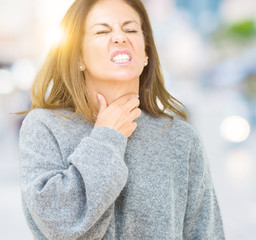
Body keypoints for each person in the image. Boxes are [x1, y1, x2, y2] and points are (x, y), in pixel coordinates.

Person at [17, 0, 225, 239]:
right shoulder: (44, 127)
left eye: (130, 29)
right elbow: (60, 223)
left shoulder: (181, 138)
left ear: (146, 53)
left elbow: (205, 232)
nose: (119, 37)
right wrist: (107, 138)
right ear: (78, 56)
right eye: (102, 31)